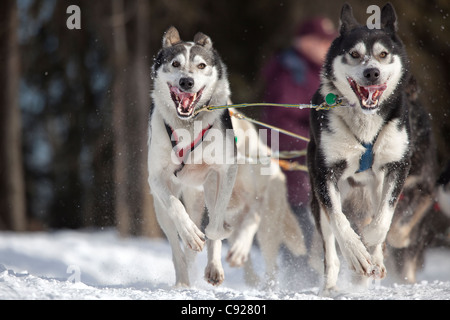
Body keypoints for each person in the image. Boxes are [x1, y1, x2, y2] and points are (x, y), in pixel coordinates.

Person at [260, 17, 336, 286]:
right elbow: (280, 118)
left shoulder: (322, 70)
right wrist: (316, 143)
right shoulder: (292, 70)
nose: (327, 46)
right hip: (288, 155)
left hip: (314, 155)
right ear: (303, 42)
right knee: (297, 215)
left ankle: (323, 274)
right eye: (321, 40)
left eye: (329, 41)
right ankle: (300, 281)